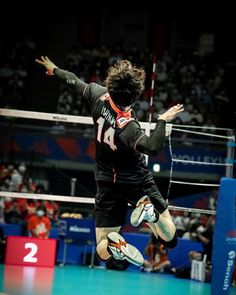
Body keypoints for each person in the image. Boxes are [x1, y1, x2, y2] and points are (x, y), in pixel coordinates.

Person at [35, 56, 184, 266]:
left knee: (102, 250)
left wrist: (55, 69)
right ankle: (151, 215)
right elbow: (152, 147)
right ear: (134, 98)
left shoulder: (98, 94)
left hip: (106, 181)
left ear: (111, 86)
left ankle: (115, 245)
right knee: (170, 239)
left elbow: (74, 81)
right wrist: (162, 120)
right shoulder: (129, 127)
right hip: (136, 180)